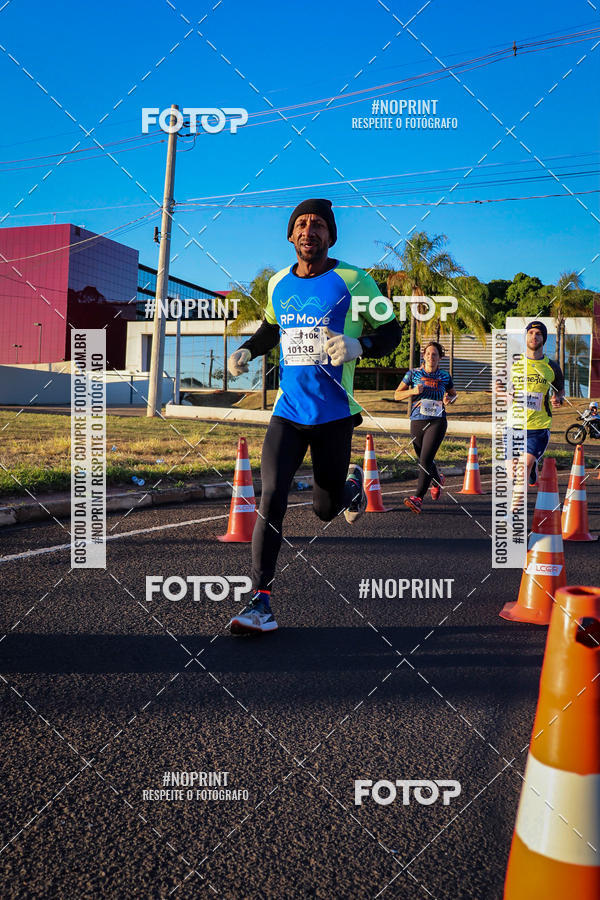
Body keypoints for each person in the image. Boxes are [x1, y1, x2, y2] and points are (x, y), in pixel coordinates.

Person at [226, 198, 401, 634]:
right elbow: (272, 327)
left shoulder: (355, 281)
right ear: (291, 235)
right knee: (271, 498)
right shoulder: (277, 283)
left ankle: (351, 489)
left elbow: (391, 330)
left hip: (334, 416)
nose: (309, 230)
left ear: (331, 236)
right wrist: (248, 349)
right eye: (301, 224)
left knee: (324, 509)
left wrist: (362, 345)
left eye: (319, 225)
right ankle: (260, 602)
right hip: (287, 413)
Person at [394, 340, 457, 513]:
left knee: (425, 460)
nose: (431, 357)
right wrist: (413, 391)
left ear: (440, 357)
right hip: (417, 420)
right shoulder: (413, 374)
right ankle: (437, 479)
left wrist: (449, 399)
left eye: (435, 354)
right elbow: (397, 395)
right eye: (428, 354)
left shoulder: (445, 376)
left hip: (437, 421)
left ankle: (418, 498)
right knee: (424, 458)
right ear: (423, 356)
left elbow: (454, 395)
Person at [509, 320, 565, 488]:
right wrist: (504, 394)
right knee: (512, 471)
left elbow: (560, 391)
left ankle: (517, 501)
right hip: (514, 422)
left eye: (538, 334)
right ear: (526, 337)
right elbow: (500, 387)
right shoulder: (513, 363)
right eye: (531, 333)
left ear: (544, 339)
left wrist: (558, 399)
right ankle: (532, 465)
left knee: (523, 466)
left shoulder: (552, 366)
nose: (534, 336)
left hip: (539, 424)